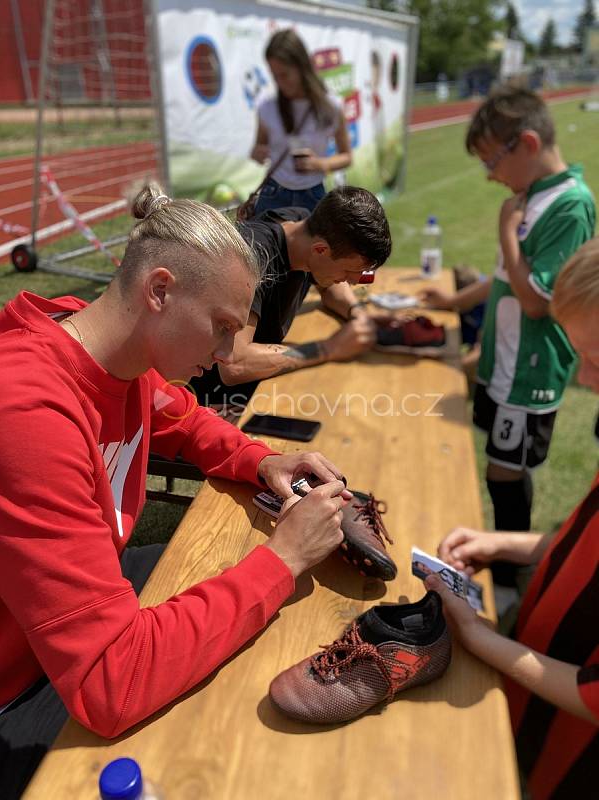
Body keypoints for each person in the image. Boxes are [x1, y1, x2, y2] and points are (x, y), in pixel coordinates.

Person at [0, 184, 354, 799]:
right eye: (220, 329)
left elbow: (184, 420)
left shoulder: (112, 350)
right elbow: (111, 681)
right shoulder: (30, 412)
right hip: (19, 685)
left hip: (66, 630)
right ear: (159, 290)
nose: (224, 356)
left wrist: (262, 459)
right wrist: (283, 559)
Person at [425, 236, 599, 799]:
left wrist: (478, 637)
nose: (586, 382)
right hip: (530, 692)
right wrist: (504, 544)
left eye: (596, 360)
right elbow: (585, 541)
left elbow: (592, 696)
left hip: (569, 756)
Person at [426, 86, 595, 587]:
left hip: (531, 368)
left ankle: (507, 580)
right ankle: (503, 561)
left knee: (506, 470)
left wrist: (506, 230)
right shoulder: (531, 196)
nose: (490, 173)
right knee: (499, 463)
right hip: (504, 361)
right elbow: (505, 275)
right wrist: (453, 303)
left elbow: (536, 299)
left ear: (526, 143)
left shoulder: (570, 204)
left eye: (492, 159)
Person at [190, 185, 393, 411]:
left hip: (259, 387)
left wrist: (357, 315)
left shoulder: (303, 225)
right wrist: (330, 348)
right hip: (212, 403)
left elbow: (329, 289)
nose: (353, 282)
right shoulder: (252, 260)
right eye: (347, 271)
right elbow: (234, 363)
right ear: (320, 250)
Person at [250, 28, 351, 214]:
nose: (279, 82)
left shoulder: (330, 107)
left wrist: (321, 164)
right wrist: (258, 153)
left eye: (284, 74)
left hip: (312, 197)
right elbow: (257, 149)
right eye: (274, 76)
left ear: (302, 66)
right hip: (273, 194)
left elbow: (346, 156)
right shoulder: (267, 105)